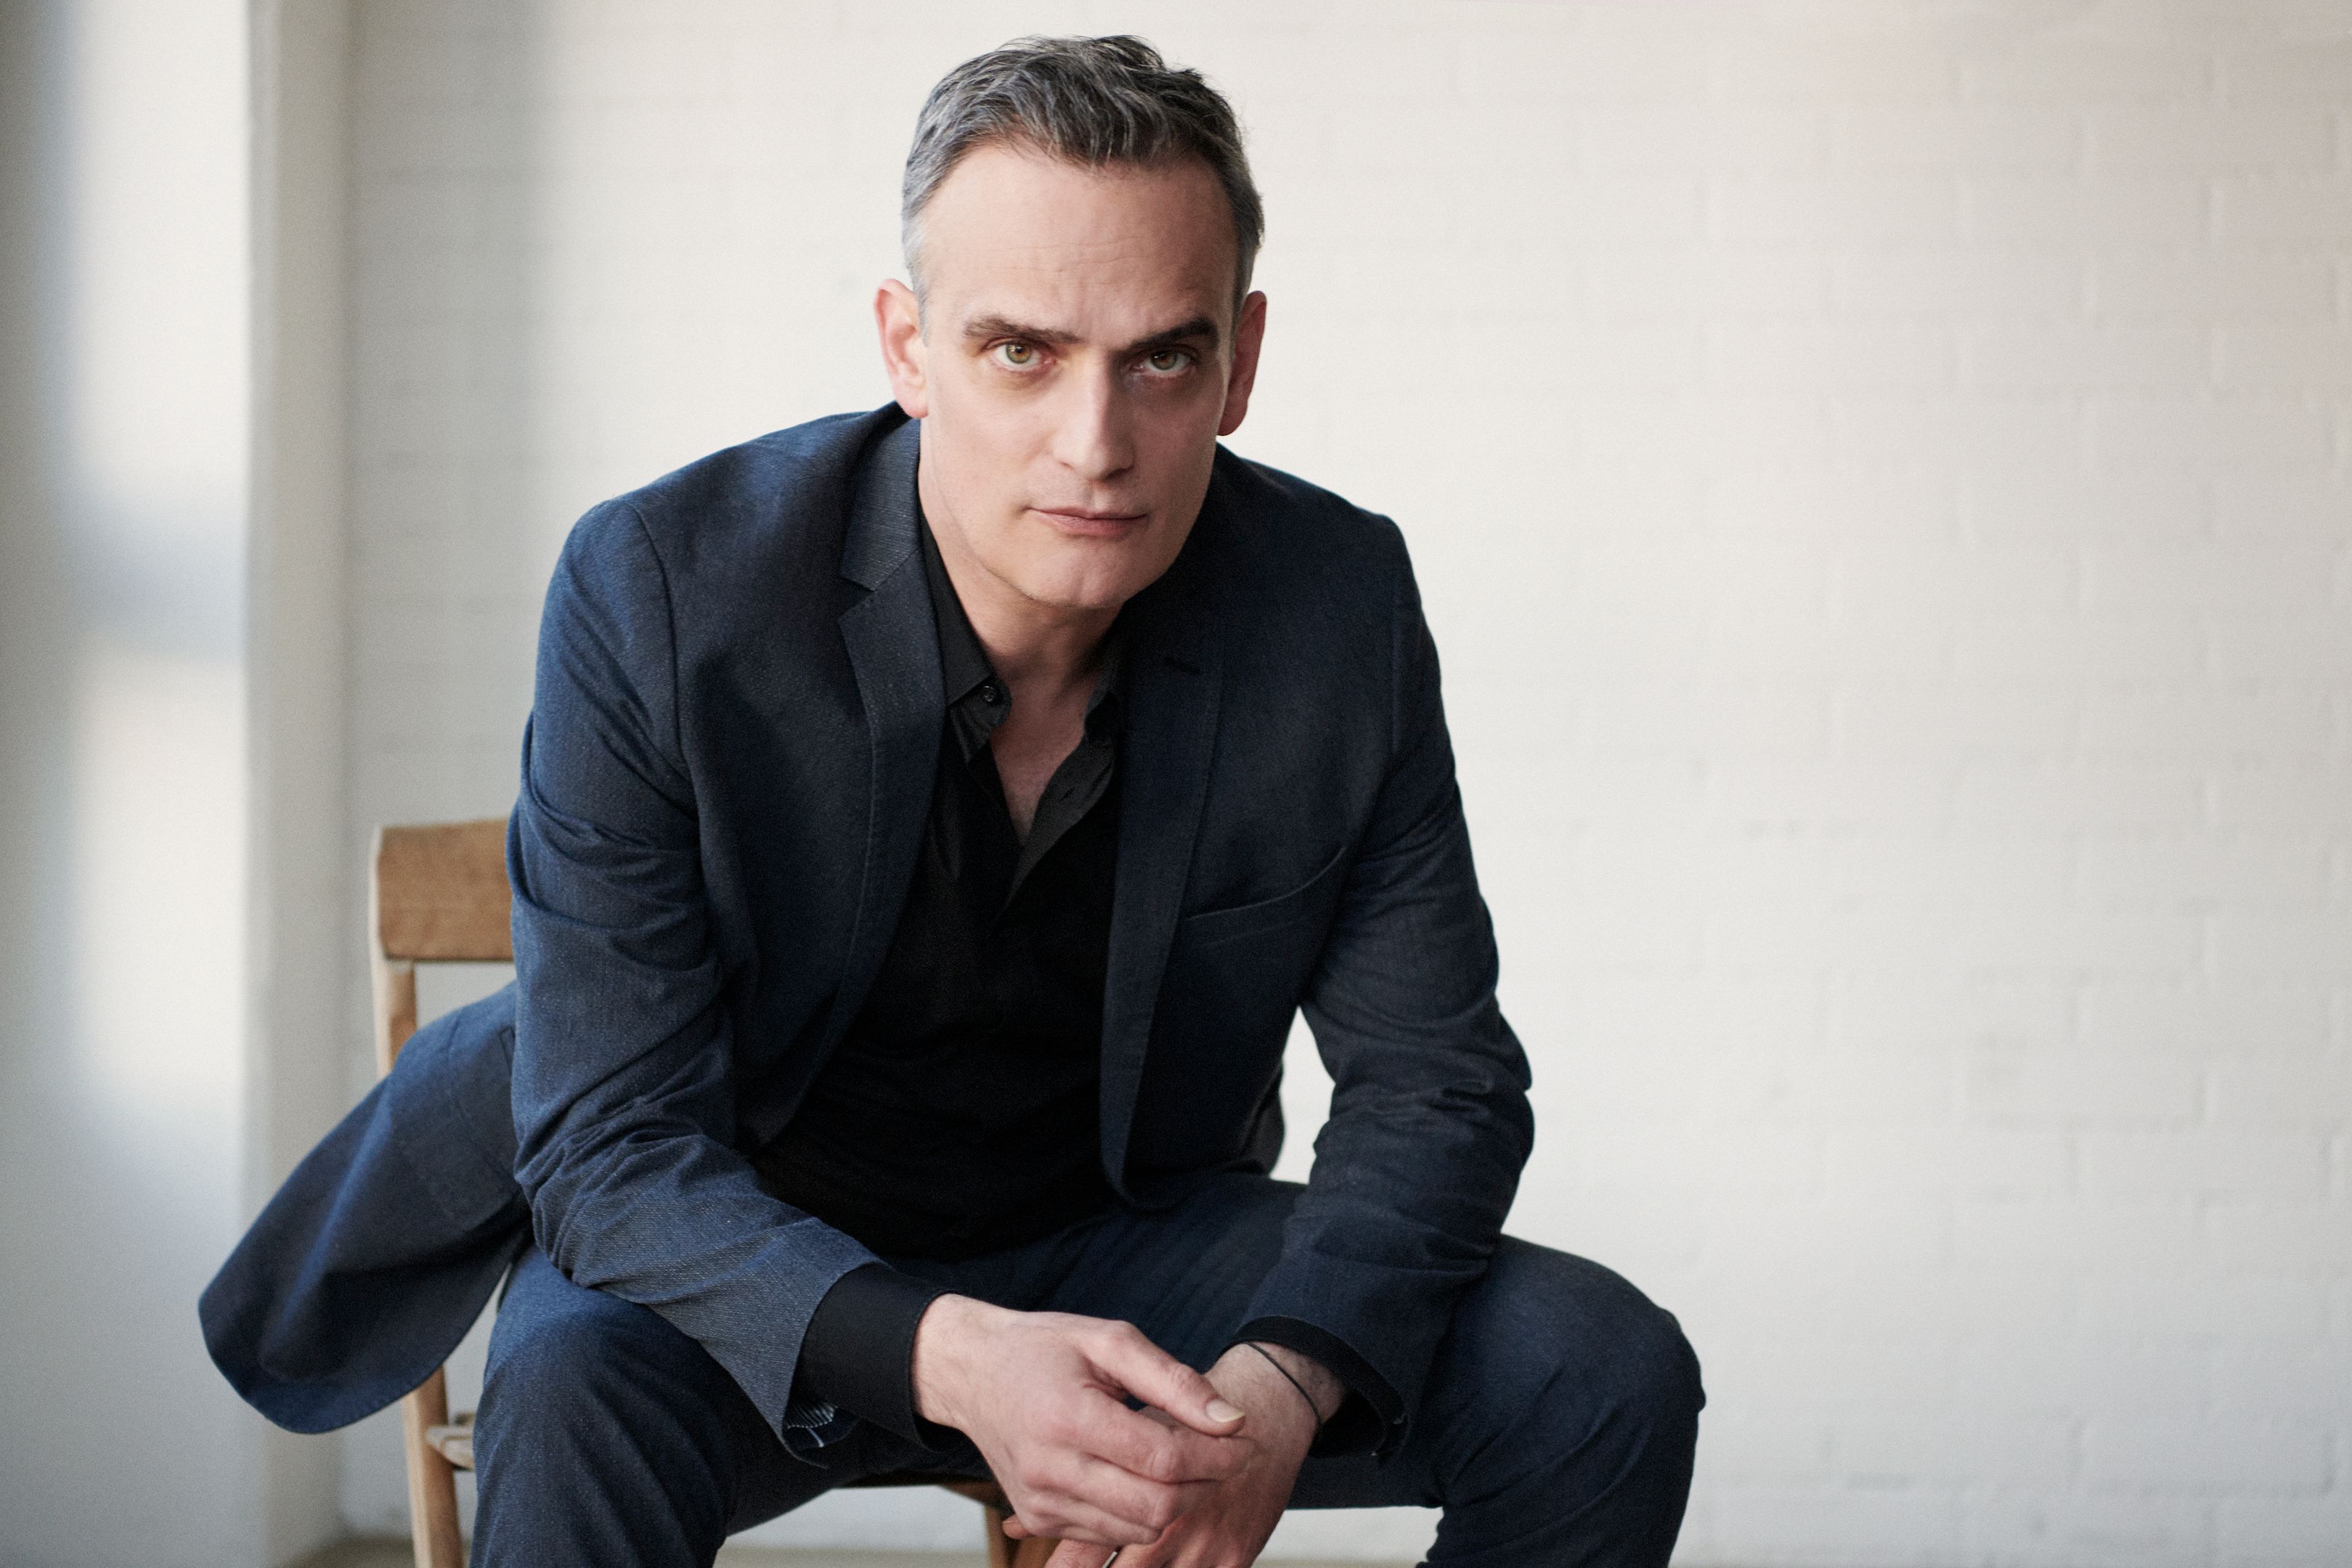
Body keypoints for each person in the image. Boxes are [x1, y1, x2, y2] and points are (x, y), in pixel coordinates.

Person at [203, 34, 1701, 1568]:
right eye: (1021, 352)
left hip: (1126, 1245)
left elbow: (1438, 1087)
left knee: (1599, 1373)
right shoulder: (663, 589)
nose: (1095, 447)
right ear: (909, 349)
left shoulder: (1337, 606)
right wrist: (955, 1357)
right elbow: (611, 1144)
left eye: (1161, 359)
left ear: (1240, 363)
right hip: (758, 1234)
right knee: (572, 1384)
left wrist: (1276, 1390)